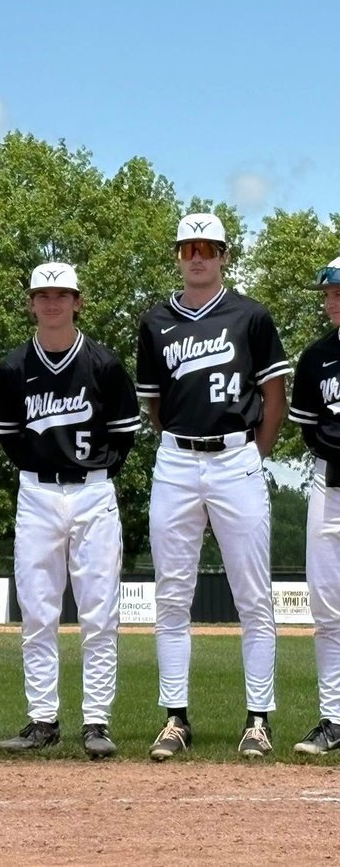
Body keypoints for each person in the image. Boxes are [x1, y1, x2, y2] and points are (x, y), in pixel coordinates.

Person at [137, 213, 289, 760]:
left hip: (235, 459)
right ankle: (175, 718)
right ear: (178, 256)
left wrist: (255, 453)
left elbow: (275, 394)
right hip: (177, 461)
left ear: (224, 254)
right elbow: (154, 404)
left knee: (253, 598)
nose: (196, 256)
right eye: (187, 247)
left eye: (207, 247)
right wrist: (182, 445)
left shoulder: (250, 315)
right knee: (172, 597)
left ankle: (258, 718)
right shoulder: (155, 322)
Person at [0, 263, 139, 758]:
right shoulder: (14, 367)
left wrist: (94, 468)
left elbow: (124, 434)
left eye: (62, 294)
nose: (52, 303)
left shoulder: (104, 364)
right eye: (43, 294)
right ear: (31, 302)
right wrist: (40, 468)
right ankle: (42, 719)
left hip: (93, 492)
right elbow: (8, 437)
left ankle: (96, 721)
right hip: (36, 493)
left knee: (99, 613)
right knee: (37, 611)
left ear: (78, 301)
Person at [288, 256, 340, 755]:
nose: (331, 302)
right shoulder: (316, 358)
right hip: (329, 485)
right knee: (327, 609)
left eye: (339, 293)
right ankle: (334, 718)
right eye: (329, 294)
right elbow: (308, 426)